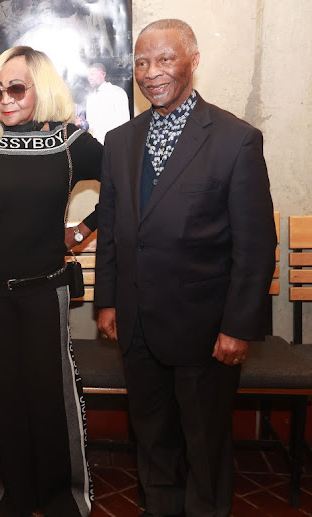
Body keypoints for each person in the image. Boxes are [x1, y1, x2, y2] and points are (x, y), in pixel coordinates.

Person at [94, 19, 276, 517]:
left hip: (205, 330)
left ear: (193, 60)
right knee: (153, 442)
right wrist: (107, 301)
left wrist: (239, 326)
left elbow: (256, 246)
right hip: (136, 327)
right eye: (141, 62)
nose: (151, 73)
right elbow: (111, 229)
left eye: (165, 59)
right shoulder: (120, 141)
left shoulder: (235, 140)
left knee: (205, 447)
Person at [0, 46, 102, 517]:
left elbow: (121, 187)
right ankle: (13, 495)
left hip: (45, 290)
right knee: (6, 394)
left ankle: (63, 498)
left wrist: (82, 228)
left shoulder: (71, 143)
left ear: (43, 87)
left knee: (51, 396)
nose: (5, 99)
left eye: (16, 88)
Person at [85, 63, 130, 144]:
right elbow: (91, 126)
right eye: (88, 75)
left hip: (114, 146)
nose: (90, 78)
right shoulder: (90, 99)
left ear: (103, 74)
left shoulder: (117, 92)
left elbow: (125, 124)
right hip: (96, 148)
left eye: (92, 74)